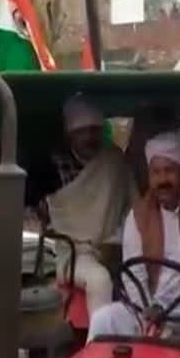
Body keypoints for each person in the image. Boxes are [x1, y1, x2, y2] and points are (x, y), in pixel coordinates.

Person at [87, 129, 180, 348]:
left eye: (169, 171)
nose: (162, 180)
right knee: (104, 319)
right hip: (150, 311)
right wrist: (146, 313)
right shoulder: (140, 215)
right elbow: (134, 274)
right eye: (156, 172)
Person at [45, 94, 135, 316]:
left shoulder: (114, 160)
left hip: (118, 245)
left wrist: (115, 243)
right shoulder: (56, 166)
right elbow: (59, 216)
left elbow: (132, 208)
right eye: (81, 132)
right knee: (99, 280)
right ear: (70, 136)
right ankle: (98, 345)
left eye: (94, 131)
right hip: (75, 253)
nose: (89, 138)